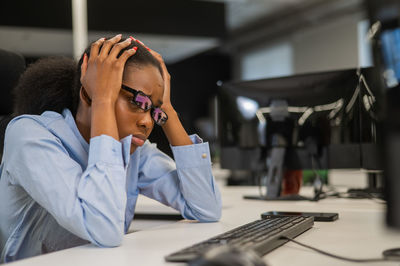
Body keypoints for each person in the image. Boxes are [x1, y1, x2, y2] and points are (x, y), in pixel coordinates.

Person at [0, 34, 222, 263]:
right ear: (88, 93)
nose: (148, 122)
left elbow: (206, 208)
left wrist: (167, 108)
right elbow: (104, 229)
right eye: (138, 102)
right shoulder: (30, 135)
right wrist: (103, 102)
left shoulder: (132, 149)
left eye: (153, 111)